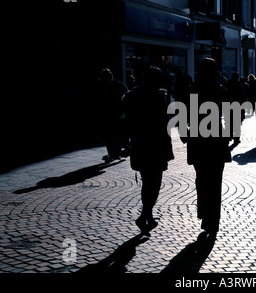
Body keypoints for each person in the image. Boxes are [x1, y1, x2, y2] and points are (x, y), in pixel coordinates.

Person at [184, 58, 232, 243]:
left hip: (198, 140)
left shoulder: (193, 90)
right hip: (217, 141)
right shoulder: (220, 91)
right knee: (215, 183)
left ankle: (204, 214)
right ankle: (213, 222)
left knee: (201, 180)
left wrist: (185, 134)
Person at [122, 66, 174, 235]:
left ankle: (147, 215)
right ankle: (146, 214)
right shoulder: (159, 97)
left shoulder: (133, 95)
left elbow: (125, 119)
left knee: (148, 182)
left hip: (141, 144)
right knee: (154, 183)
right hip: (155, 146)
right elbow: (164, 124)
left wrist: (126, 140)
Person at [98, 68, 129, 162]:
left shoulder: (117, 86)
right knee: (111, 135)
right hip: (110, 115)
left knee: (114, 135)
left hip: (116, 115)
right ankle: (114, 153)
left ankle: (115, 152)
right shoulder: (118, 86)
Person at [226, 72, 246, 144]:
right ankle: (236, 138)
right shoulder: (238, 84)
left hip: (229, 105)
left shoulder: (228, 83)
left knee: (229, 122)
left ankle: (229, 136)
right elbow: (242, 95)